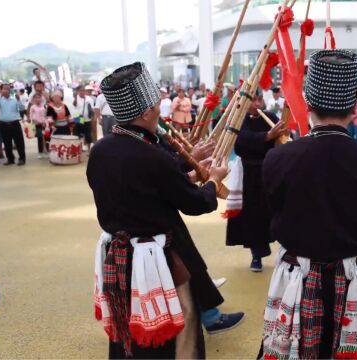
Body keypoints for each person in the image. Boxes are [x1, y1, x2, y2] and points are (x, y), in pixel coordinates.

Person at [88, 62, 244, 359]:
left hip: (117, 256)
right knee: (178, 328)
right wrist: (213, 180)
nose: (160, 108)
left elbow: (145, 184)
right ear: (146, 112)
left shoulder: (101, 150)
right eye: (156, 104)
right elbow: (196, 203)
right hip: (155, 260)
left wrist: (188, 162)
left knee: (127, 332)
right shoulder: (150, 155)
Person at [260, 49, 357, 359]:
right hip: (353, 280)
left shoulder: (279, 158)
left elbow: (274, 210)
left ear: (307, 104)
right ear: (354, 108)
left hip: (299, 276)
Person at [226, 91, 288, 272]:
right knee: (252, 215)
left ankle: (286, 251)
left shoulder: (270, 117)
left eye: (259, 99)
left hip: (269, 170)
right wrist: (267, 136)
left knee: (277, 210)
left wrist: (282, 135)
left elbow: (282, 142)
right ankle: (256, 256)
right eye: (252, 100)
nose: (256, 104)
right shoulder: (239, 120)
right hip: (249, 174)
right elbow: (239, 144)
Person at [0, 84, 26, 166]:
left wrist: (18, 100)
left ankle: (22, 158)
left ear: (10, 90)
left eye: (7, 89)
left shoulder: (14, 99)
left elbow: (21, 108)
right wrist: (0, 94)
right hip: (3, 124)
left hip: (14, 123)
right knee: (7, 143)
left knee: (19, 142)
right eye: (4, 89)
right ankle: (10, 159)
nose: (6, 90)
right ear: (1, 90)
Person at [70, 85, 95, 150]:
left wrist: (92, 117)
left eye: (83, 90)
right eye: (80, 90)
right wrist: (75, 98)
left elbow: (92, 108)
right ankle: (79, 149)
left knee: (88, 134)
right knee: (78, 134)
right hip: (78, 118)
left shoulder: (89, 98)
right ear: (78, 91)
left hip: (87, 119)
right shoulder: (75, 98)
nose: (82, 92)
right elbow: (73, 106)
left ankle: (89, 149)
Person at [28, 93, 48, 158]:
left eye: (39, 98)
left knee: (46, 137)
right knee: (40, 137)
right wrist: (34, 121)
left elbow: (45, 116)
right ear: (33, 99)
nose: (37, 99)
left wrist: (45, 122)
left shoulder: (44, 106)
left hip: (44, 124)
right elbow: (31, 117)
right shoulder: (32, 107)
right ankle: (40, 152)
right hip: (37, 125)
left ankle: (46, 150)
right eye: (36, 98)